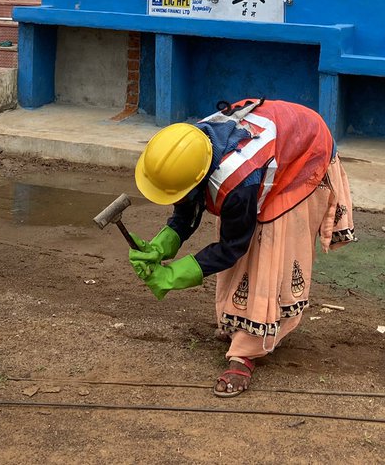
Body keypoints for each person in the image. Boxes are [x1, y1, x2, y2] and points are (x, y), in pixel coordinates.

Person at [129, 98, 356, 398]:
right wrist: (164, 243)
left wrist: (173, 276)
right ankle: (240, 320)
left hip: (305, 151)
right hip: (274, 142)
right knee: (246, 235)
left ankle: (247, 351)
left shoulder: (237, 181)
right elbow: (188, 200)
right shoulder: (192, 146)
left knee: (267, 249)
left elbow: (232, 248)